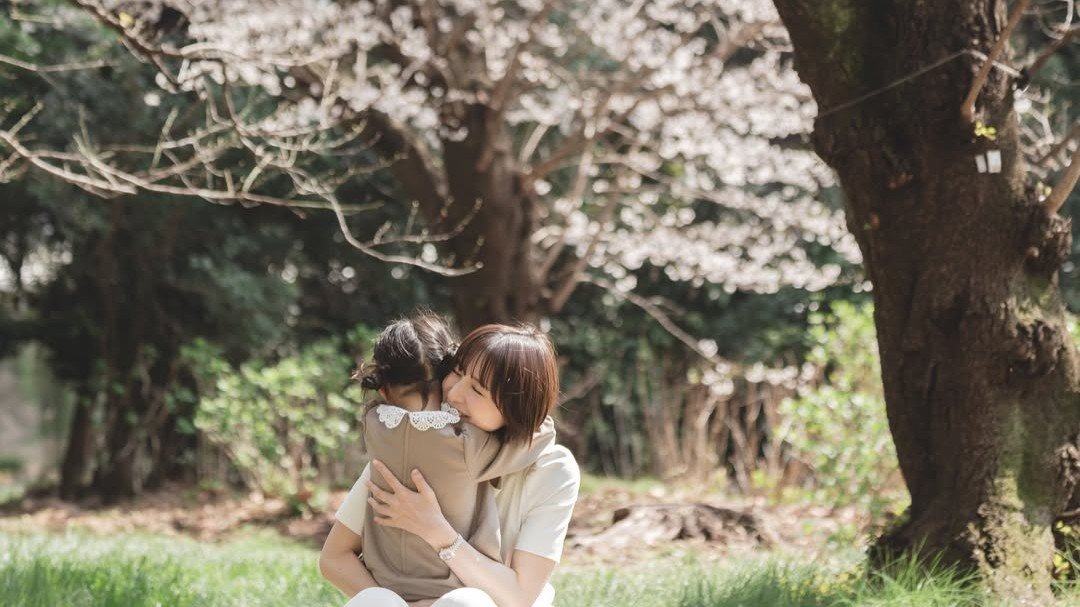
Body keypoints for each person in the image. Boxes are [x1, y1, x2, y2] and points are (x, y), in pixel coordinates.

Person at [321, 323, 581, 607]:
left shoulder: (553, 469)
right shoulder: (417, 448)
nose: (455, 394)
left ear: (516, 407)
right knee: (374, 601)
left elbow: (519, 596)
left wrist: (436, 531)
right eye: (456, 373)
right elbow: (335, 558)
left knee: (466, 602)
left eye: (477, 391)